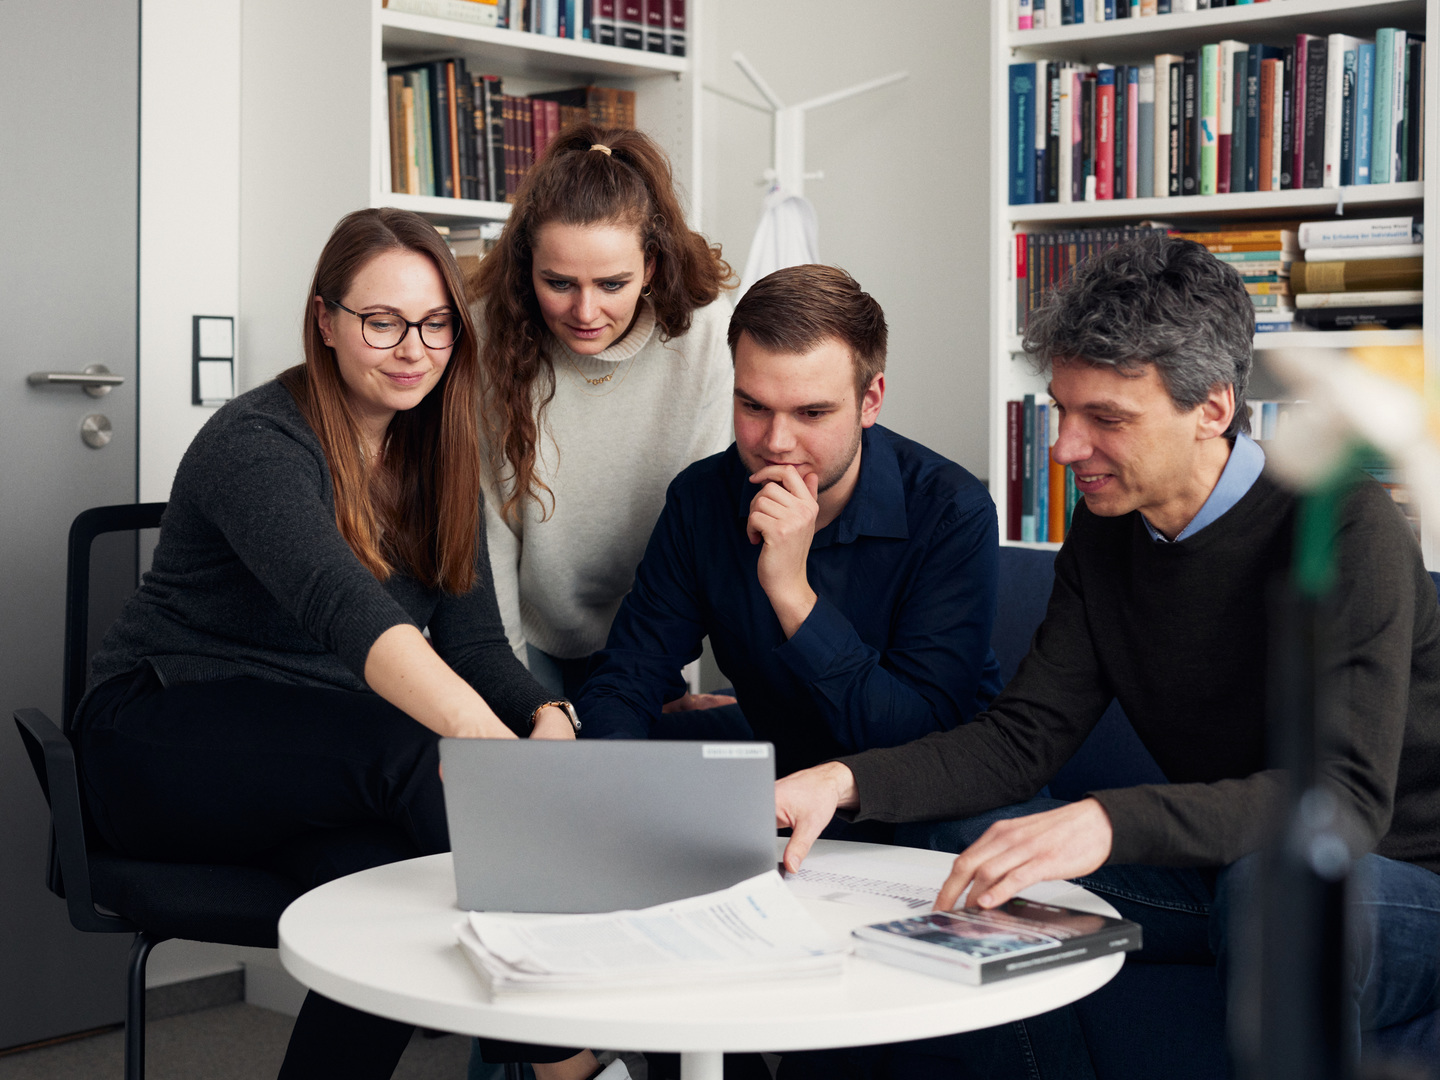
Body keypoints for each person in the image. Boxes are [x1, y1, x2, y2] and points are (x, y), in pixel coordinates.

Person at [774, 234, 1440, 1077]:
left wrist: (1106, 819)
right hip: (1215, 868)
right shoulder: (1108, 531)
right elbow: (1022, 739)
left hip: (1391, 884)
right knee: (956, 837)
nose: (1064, 449)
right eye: (1062, 410)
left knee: (1275, 892)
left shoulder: (1343, 526)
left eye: (1107, 420)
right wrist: (844, 780)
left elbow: (1341, 803)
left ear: (1214, 408)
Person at [72, 208, 616, 1080]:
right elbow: (342, 607)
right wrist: (484, 750)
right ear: (324, 322)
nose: (414, 348)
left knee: (391, 898)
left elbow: (473, 642)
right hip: (155, 738)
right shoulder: (255, 442)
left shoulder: (437, 452)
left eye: (437, 323)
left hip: (311, 765)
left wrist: (547, 716)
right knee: (414, 751)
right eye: (383, 321)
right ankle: (573, 1064)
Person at [578, 264, 1003, 786]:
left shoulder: (952, 511)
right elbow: (629, 675)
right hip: (782, 782)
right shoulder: (701, 498)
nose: (776, 442)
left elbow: (914, 738)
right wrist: (611, 785)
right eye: (753, 405)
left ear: (870, 401)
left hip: (929, 802)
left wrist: (792, 594)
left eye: (811, 413)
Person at [470, 121, 735, 699]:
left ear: (654, 268)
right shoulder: (491, 330)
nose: (585, 311)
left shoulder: (709, 335)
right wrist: (519, 693)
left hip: (651, 626)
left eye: (612, 284)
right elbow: (489, 533)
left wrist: (663, 672)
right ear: (526, 270)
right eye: (558, 282)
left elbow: (696, 518)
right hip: (521, 620)